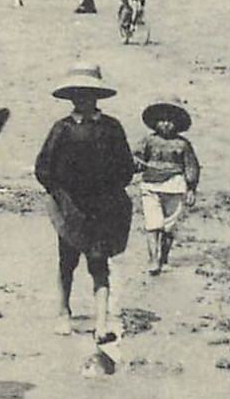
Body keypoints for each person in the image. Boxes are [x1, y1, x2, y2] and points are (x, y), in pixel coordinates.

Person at [35, 63, 134, 344]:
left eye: (88, 94)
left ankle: (101, 322)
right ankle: (63, 310)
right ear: (71, 97)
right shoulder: (62, 129)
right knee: (67, 261)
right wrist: (59, 194)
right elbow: (43, 167)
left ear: (97, 97)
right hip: (70, 207)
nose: (83, 99)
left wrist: (111, 191)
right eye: (78, 94)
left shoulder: (111, 128)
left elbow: (125, 167)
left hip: (102, 207)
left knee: (99, 263)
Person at [134, 97, 200, 273]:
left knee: (169, 226)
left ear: (178, 124)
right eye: (162, 120)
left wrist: (191, 188)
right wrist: (137, 163)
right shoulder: (148, 141)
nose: (166, 124)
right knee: (152, 223)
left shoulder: (183, 145)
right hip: (150, 186)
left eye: (171, 121)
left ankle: (164, 257)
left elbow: (191, 166)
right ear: (154, 122)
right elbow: (136, 157)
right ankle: (153, 259)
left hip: (175, 187)